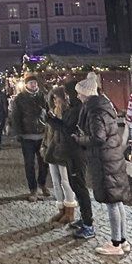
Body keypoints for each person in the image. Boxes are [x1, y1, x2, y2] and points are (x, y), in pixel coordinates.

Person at [74, 73, 132, 256]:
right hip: (112, 158)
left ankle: (115, 244)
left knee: (112, 202)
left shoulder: (95, 111)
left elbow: (98, 137)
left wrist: (80, 139)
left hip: (105, 161)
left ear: (86, 93)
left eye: (79, 93)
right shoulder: (104, 107)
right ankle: (123, 240)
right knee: (117, 202)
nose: (77, 96)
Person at [41, 85, 81, 226]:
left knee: (66, 181)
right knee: (56, 181)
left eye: (57, 98)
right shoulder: (52, 111)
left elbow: (65, 129)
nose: (55, 101)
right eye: (53, 98)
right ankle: (61, 209)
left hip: (64, 151)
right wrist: (44, 146)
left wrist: (52, 120)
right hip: (52, 149)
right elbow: (48, 132)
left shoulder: (69, 113)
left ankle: (70, 211)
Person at [9, 74, 50, 200]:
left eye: (35, 83)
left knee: (44, 162)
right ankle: (33, 189)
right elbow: (15, 117)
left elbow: (48, 112)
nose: (34, 85)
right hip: (27, 136)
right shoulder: (20, 98)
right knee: (29, 164)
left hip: (42, 134)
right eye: (31, 83)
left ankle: (42, 184)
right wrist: (18, 133)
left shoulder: (42, 96)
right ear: (26, 84)